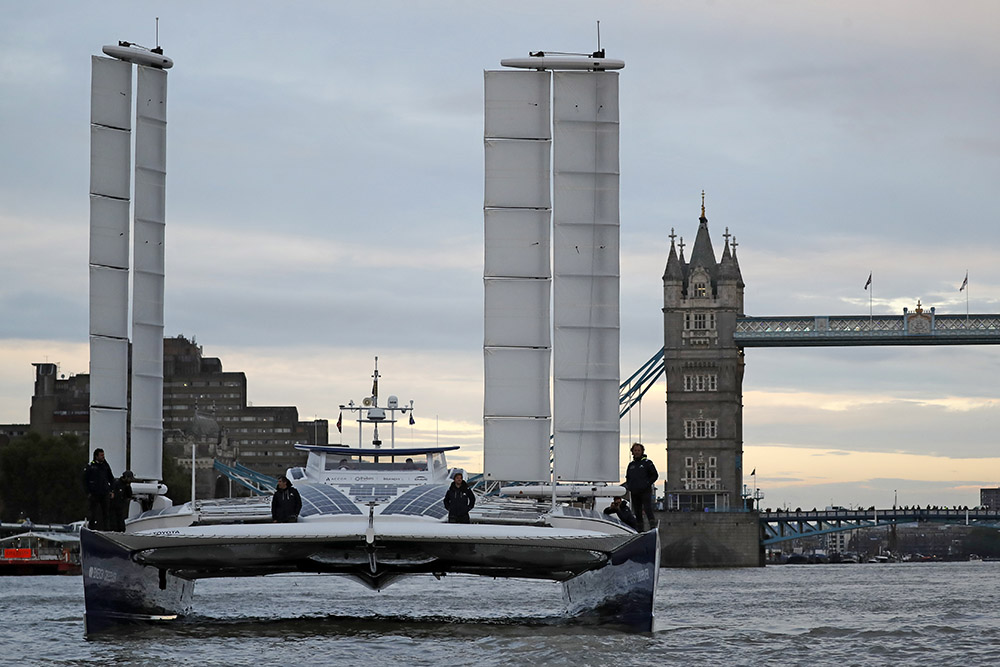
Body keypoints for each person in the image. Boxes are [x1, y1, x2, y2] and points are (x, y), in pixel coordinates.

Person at [624, 442, 658, 531]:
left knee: (647, 508)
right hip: (634, 492)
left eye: (639, 450)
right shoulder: (631, 465)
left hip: (645, 491)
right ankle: (640, 529)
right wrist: (630, 486)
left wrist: (647, 483)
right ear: (632, 452)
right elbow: (628, 477)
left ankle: (652, 526)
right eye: (635, 450)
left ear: (642, 451)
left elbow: (655, 475)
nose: (637, 452)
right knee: (637, 511)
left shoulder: (647, 463)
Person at [83, 448, 115, 530]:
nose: (103, 457)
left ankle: (107, 529)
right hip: (94, 493)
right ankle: (92, 528)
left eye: (103, 455)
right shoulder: (91, 466)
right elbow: (85, 480)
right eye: (101, 455)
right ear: (96, 456)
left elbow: (111, 478)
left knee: (106, 513)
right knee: (93, 513)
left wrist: (111, 490)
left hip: (104, 492)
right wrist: (88, 492)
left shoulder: (105, 466)